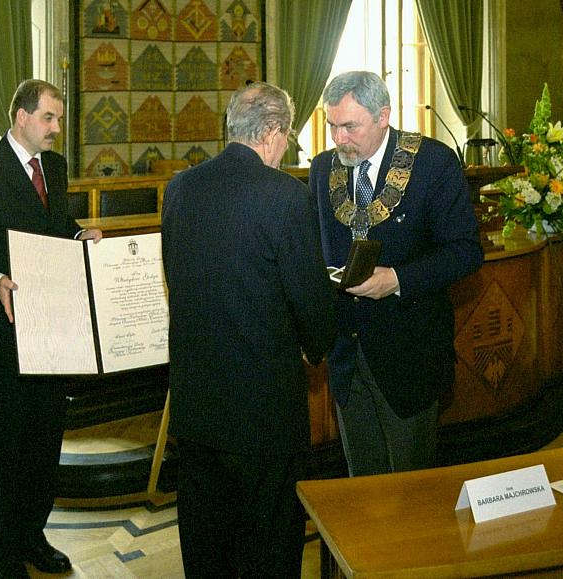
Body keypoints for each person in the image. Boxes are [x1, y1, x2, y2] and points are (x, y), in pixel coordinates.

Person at [161, 81, 336, 577]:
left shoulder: (180, 188)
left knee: (205, 542)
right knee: (267, 545)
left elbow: (176, 278)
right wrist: (317, 343)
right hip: (262, 413)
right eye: (289, 137)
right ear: (275, 132)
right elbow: (310, 304)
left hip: (195, 407)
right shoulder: (285, 196)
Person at [0, 79, 102, 579]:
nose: (57, 129)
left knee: (45, 442)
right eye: (49, 118)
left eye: (58, 119)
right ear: (21, 117)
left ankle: (34, 535)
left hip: (53, 329)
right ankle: (3, 545)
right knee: (7, 445)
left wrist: (78, 234)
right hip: (3, 331)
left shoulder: (54, 167)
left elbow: (52, 224)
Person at [308, 71, 483, 477]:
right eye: (332, 126)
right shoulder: (322, 170)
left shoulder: (433, 163)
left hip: (410, 356)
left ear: (383, 116)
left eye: (350, 126)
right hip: (347, 358)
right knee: (363, 489)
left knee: (412, 491)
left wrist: (397, 280)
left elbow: (465, 252)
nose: (339, 139)